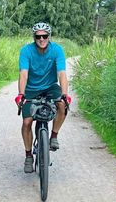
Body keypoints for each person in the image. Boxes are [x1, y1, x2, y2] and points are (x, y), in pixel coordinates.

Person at [14, 22, 72, 173]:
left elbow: (62, 74)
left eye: (44, 36)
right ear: (34, 37)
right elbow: (23, 73)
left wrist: (65, 94)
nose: (41, 39)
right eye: (38, 36)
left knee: (62, 105)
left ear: (49, 36)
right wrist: (21, 94)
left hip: (50, 87)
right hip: (31, 89)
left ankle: (53, 136)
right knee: (27, 122)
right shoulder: (26, 51)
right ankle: (28, 156)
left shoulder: (57, 50)